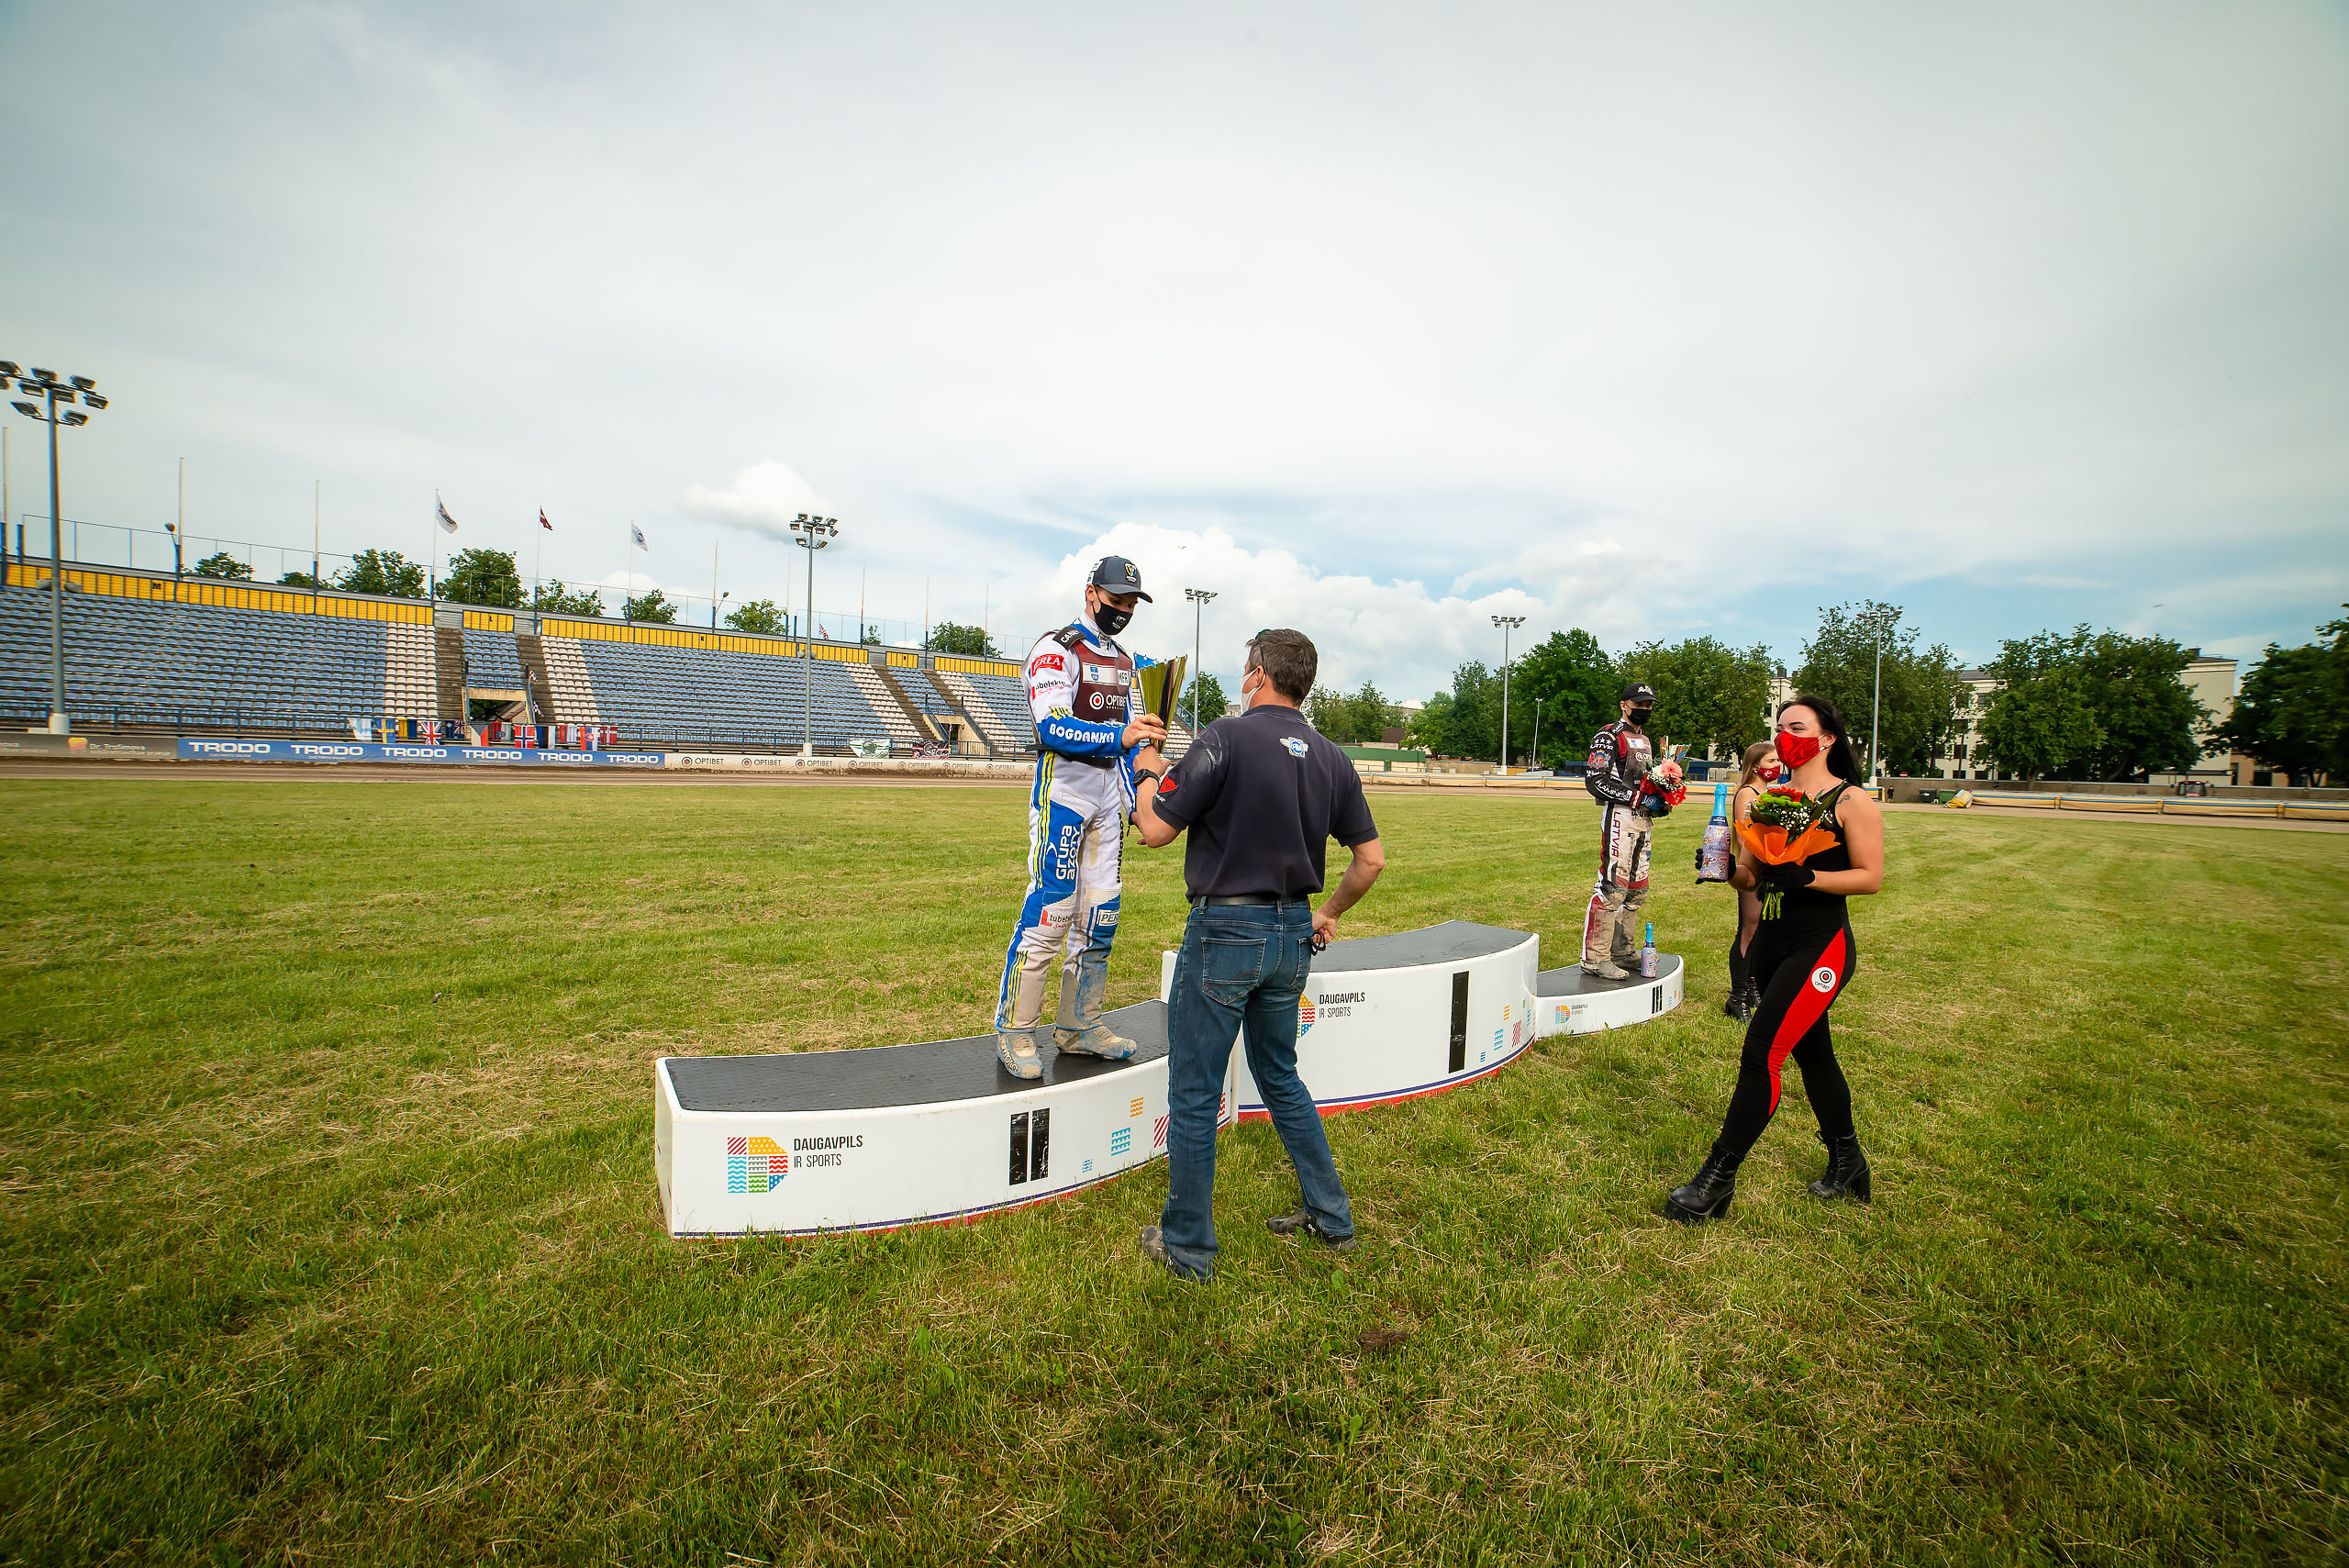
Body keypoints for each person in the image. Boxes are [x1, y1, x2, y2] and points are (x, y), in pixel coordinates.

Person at [1124, 628, 1385, 1282]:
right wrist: (1326, 913)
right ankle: (1332, 1213)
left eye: (1246, 667)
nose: (1243, 677)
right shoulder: (1330, 754)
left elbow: (1154, 828)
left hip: (1226, 933)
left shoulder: (1228, 735)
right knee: (1281, 1077)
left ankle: (1188, 1248)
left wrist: (1147, 764)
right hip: (1293, 932)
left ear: (1259, 673)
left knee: (1193, 1091)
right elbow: (1370, 859)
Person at [1667, 695, 1884, 1222]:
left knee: (1762, 1053)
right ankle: (1847, 1159)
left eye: (1797, 727)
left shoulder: (1852, 801)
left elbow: (1870, 878)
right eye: (1780, 727)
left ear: (1827, 738)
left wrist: (1808, 876)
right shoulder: (1771, 801)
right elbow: (1751, 876)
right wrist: (1722, 870)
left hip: (1820, 947)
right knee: (1815, 1055)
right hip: (1770, 942)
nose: (1785, 737)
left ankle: (1715, 1180)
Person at [991, 555, 1167, 1080]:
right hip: (1064, 790)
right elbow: (1050, 728)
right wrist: (1121, 737)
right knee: (1052, 911)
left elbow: (1127, 742)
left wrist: (1136, 798)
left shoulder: (1125, 660)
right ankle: (1016, 1029)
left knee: (1100, 915)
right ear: (1091, 593)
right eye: (1117, 600)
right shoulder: (1055, 649)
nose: (1124, 610)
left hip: (1108, 794)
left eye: (1132, 602)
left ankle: (1078, 1024)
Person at [1582, 681, 1670, 978]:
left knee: (1636, 890)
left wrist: (1662, 798)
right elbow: (1595, 779)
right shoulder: (1608, 736)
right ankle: (1595, 958)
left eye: (1648, 705)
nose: (1644, 710)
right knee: (1612, 887)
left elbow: (1649, 780)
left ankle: (1622, 950)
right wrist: (1636, 797)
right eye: (1639, 704)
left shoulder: (1645, 740)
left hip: (1644, 820)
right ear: (1624, 705)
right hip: (1620, 816)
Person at [1718, 739, 1784, 1021]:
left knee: (1762, 930)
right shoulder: (1747, 792)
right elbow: (1745, 835)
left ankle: (1754, 987)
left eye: (1778, 761)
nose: (1777, 766)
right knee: (1749, 927)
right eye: (1771, 761)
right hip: (1753, 866)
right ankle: (1738, 996)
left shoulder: (1770, 791)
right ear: (1755, 766)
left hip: (1771, 864)